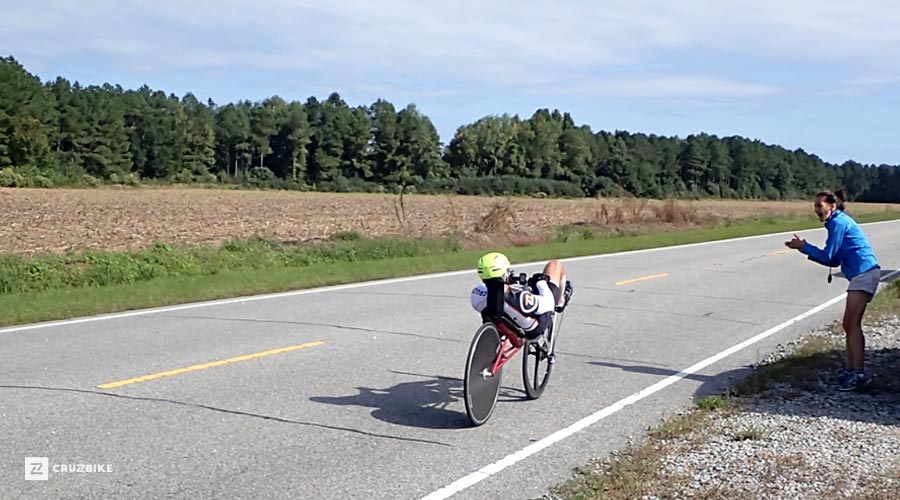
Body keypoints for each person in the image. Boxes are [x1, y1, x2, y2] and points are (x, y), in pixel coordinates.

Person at [784, 189, 881, 391]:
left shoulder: (838, 223)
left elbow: (829, 257)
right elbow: (836, 259)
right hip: (861, 274)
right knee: (850, 325)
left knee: (851, 324)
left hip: (865, 273)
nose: (816, 209)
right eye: (815, 206)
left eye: (820, 205)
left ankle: (859, 374)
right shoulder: (837, 222)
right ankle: (850, 370)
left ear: (832, 206)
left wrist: (804, 247)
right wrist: (806, 248)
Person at [469, 252, 573, 343]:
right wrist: (540, 283)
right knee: (555, 265)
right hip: (534, 328)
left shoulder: (476, 294)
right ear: (505, 275)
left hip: (506, 321)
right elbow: (548, 303)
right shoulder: (520, 298)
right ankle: (560, 302)